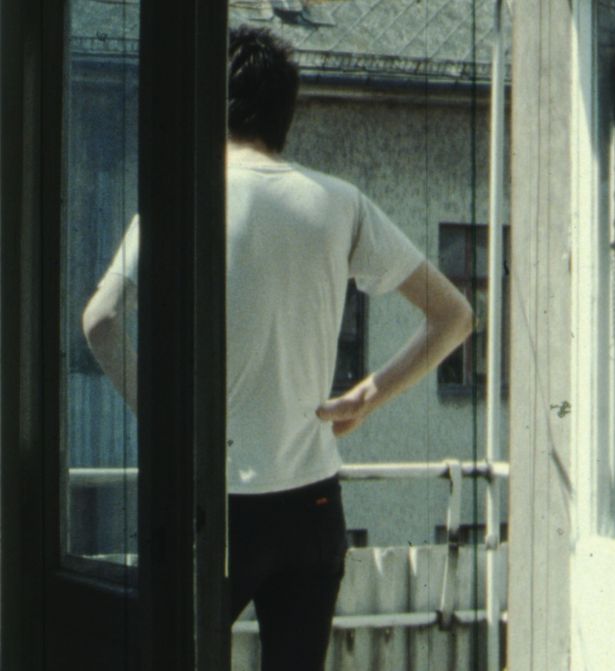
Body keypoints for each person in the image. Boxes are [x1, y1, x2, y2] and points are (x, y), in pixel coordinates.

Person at [81, 26, 473, 670]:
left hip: (213, 502)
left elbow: (100, 322)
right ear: (285, 114)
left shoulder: (181, 195)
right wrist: (368, 396)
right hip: (310, 504)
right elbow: (454, 316)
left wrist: (167, 427)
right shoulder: (340, 202)